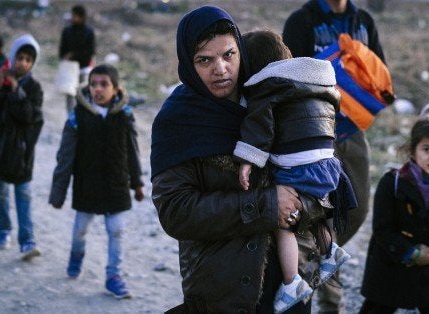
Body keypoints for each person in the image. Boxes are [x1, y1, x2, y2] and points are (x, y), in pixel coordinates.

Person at [151, 6, 330, 313]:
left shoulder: (279, 100)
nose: (220, 69)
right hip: (223, 289)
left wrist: (301, 209)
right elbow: (176, 211)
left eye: (228, 55)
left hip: (293, 284)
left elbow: (323, 185)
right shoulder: (179, 121)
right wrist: (267, 205)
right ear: (188, 64)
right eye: (204, 60)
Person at [235, 30, 353, 313]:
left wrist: (248, 157)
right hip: (328, 165)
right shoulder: (318, 82)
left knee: (284, 222)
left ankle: (291, 282)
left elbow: (260, 127)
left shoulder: (267, 88)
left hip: (296, 167)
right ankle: (330, 251)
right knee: (315, 208)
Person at [282, 0, 386, 311]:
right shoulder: (301, 21)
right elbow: (289, 75)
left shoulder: (363, 20)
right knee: (317, 211)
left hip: (353, 130)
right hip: (313, 134)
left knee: (356, 208)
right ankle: (324, 298)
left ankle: (323, 264)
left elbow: (380, 69)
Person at [48, 64, 145, 299]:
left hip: (117, 185)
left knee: (117, 231)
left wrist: (137, 182)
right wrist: (58, 193)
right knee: (80, 230)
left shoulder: (125, 115)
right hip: (87, 186)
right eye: (94, 84)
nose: (98, 89)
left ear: (115, 88)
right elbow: (65, 157)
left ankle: (114, 276)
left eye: (104, 85)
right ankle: (76, 254)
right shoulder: (77, 117)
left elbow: (132, 151)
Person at [359, 118, 429, 313]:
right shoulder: (391, 183)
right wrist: (412, 253)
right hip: (391, 265)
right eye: (427, 149)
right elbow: (383, 228)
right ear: (412, 151)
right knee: (378, 308)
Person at [0, 34, 43, 261]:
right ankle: (3, 230)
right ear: (12, 58)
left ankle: (27, 241)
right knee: (0, 193)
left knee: (23, 195)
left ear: (32, 63)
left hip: (21, 153)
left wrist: (15, 91)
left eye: (28, 60)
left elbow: (28, 117)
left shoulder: (33, 88)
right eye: (20, 58)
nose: (23, 63)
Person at [59, 5, 96, 113]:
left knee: (82, 95)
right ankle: (70, 118)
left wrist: (74, 55)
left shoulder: (88, 32)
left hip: (83, 69)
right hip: (69, 69)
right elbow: (62, 49)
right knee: (69, 94)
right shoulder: (67, 31)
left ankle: (82, 118)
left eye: (75, 15)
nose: (72, 17)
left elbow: (90, 52)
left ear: (81, 17)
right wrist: (65, 56)